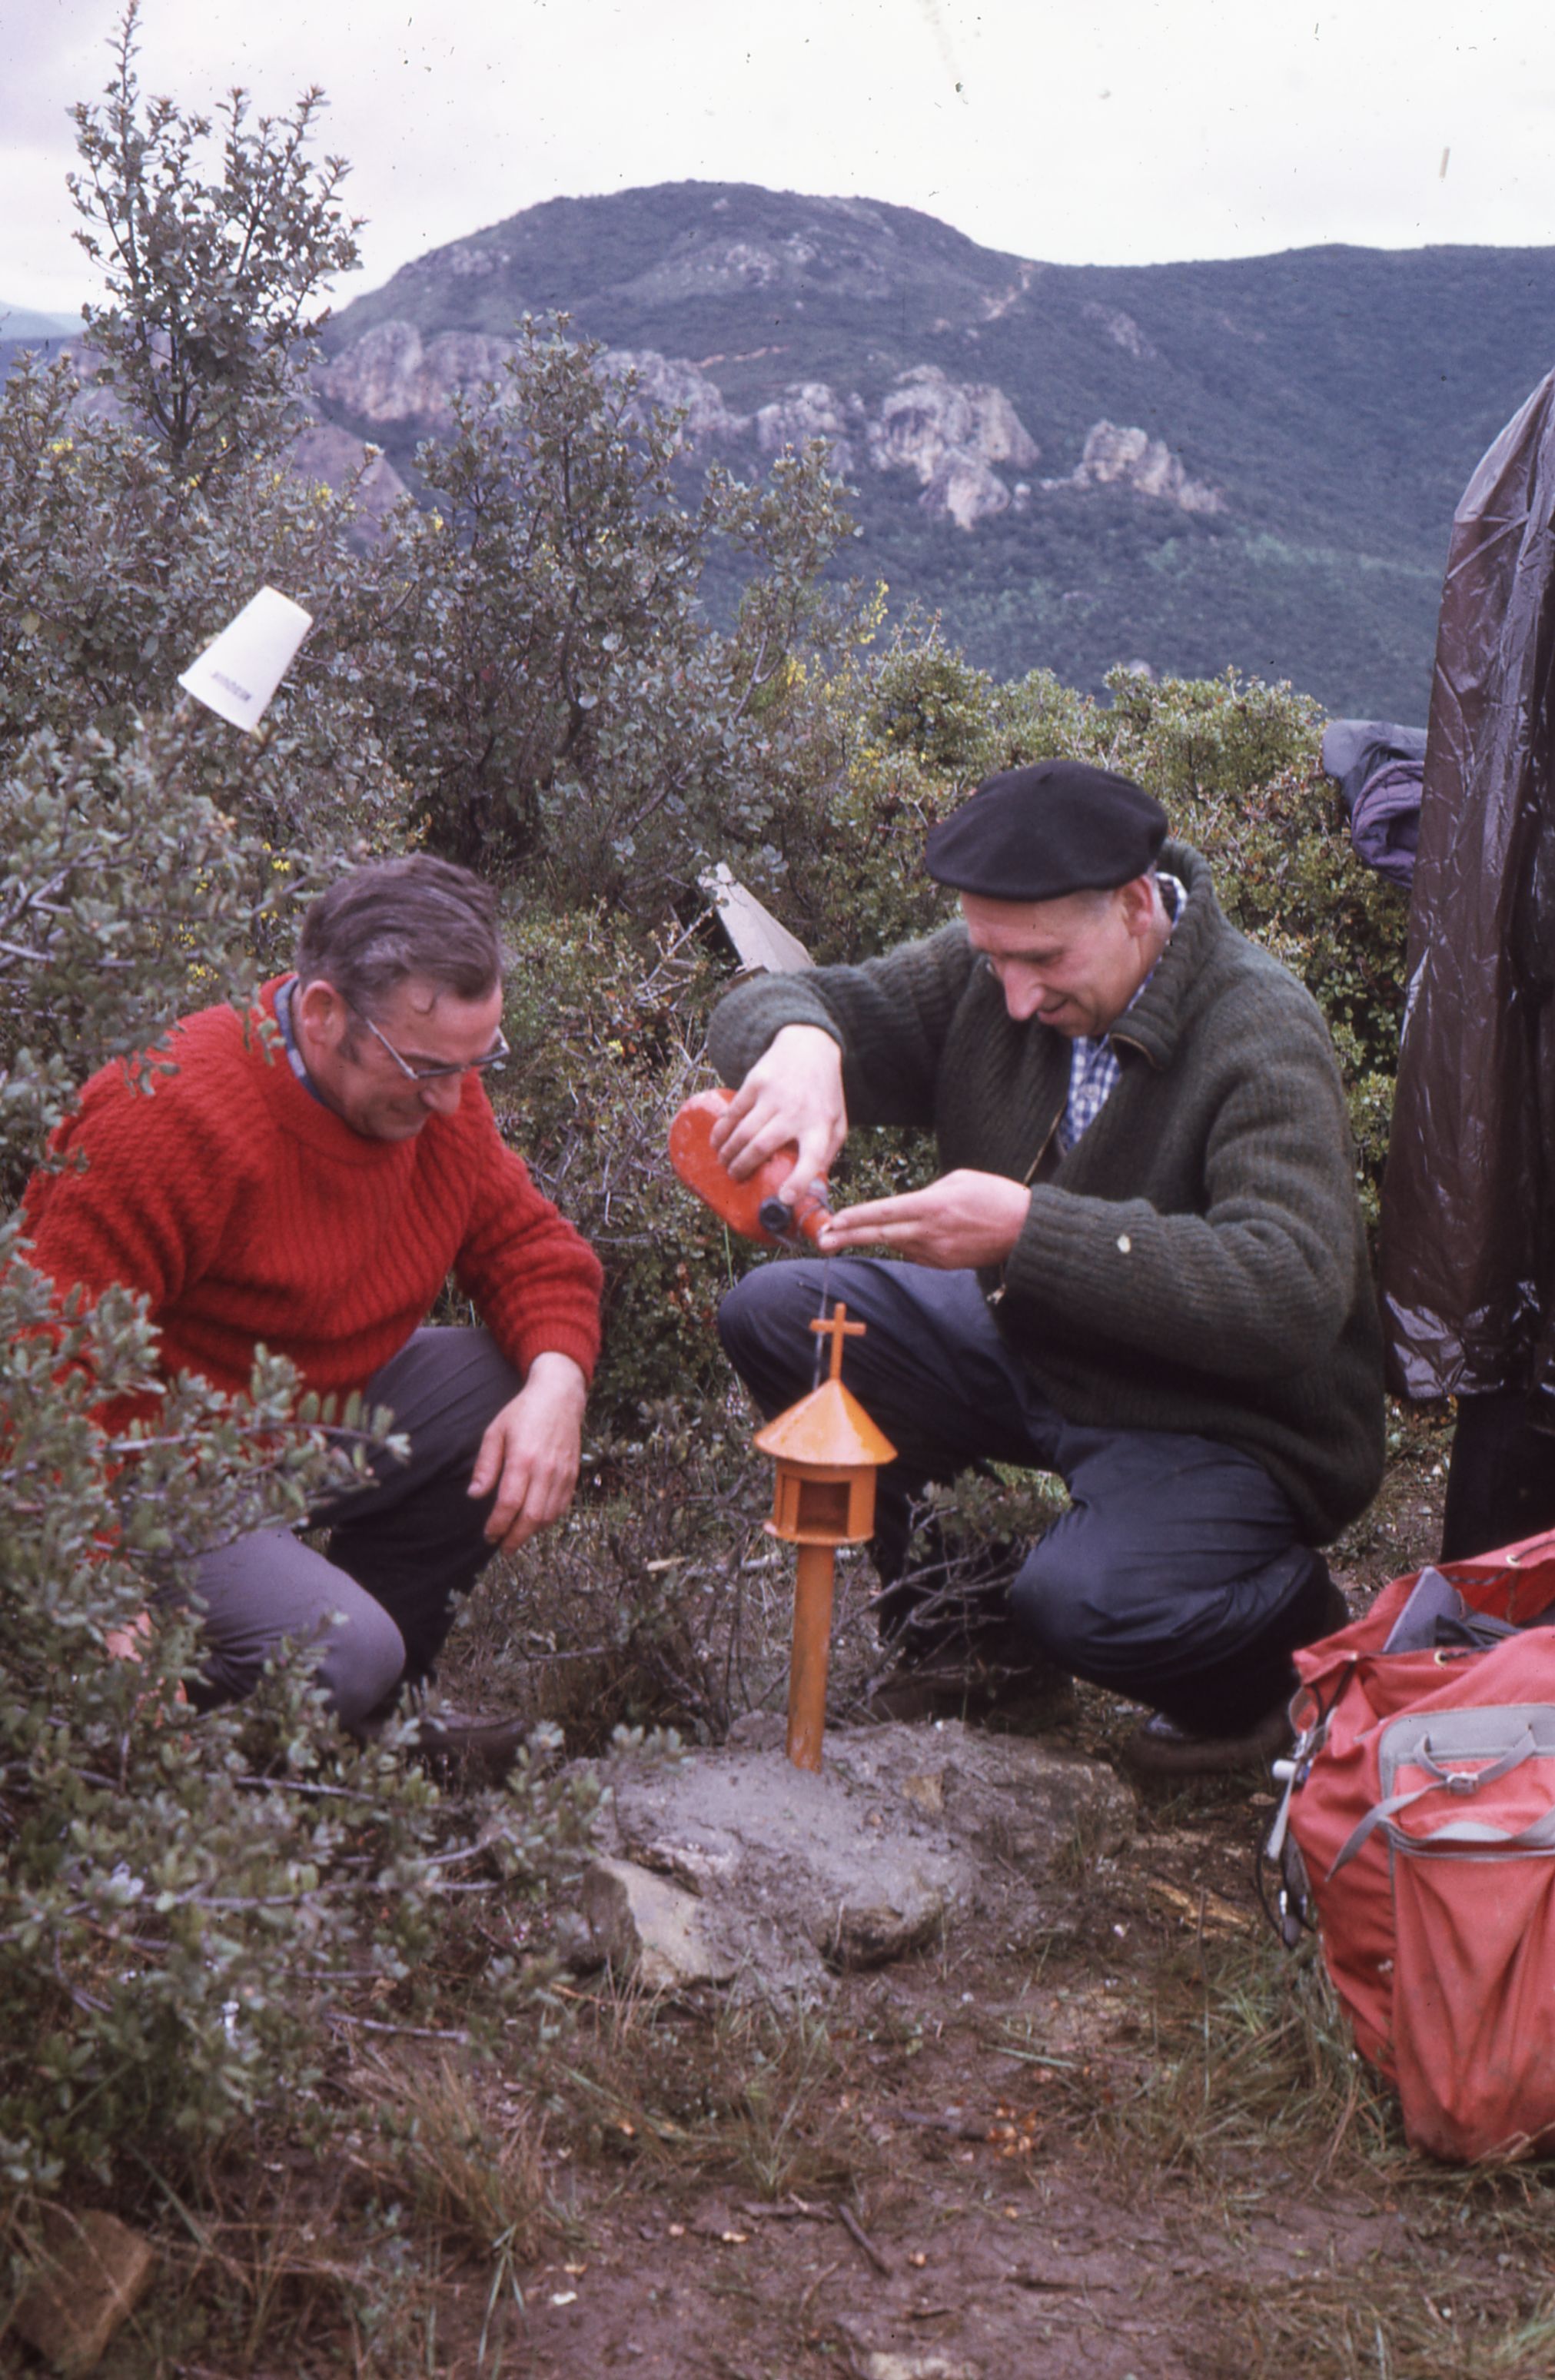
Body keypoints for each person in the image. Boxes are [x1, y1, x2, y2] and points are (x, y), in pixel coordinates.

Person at [707, 760, 1384, 1775]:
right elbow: (776, 1006)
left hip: (1224, 1418)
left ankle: (1279, 1653)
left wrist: (1028, 1232)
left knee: (1081, 1603)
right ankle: (971, 1636)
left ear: (1134, 905)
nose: (1016, 999)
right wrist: (799, 1038)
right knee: (778, 1316)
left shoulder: (1259, 1028)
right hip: (1041, 1342)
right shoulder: (995, 971)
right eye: (993, 960)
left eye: (1041, 960)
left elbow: (1288, 1289)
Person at [20, 854, 603, 1772]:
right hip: (151, 1469)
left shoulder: (437, 1093)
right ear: (325, 1013)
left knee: (509, 1378)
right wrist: (100, 1590)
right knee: (344, 1651)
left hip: (292, 1428)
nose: (451, 1099)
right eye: (424, 1068)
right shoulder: (166, 1114)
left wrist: (560, 1384)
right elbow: (39, 1377)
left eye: (475, 1063)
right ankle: (157, 1748)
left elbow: (531, 1250)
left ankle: (375, 1729)